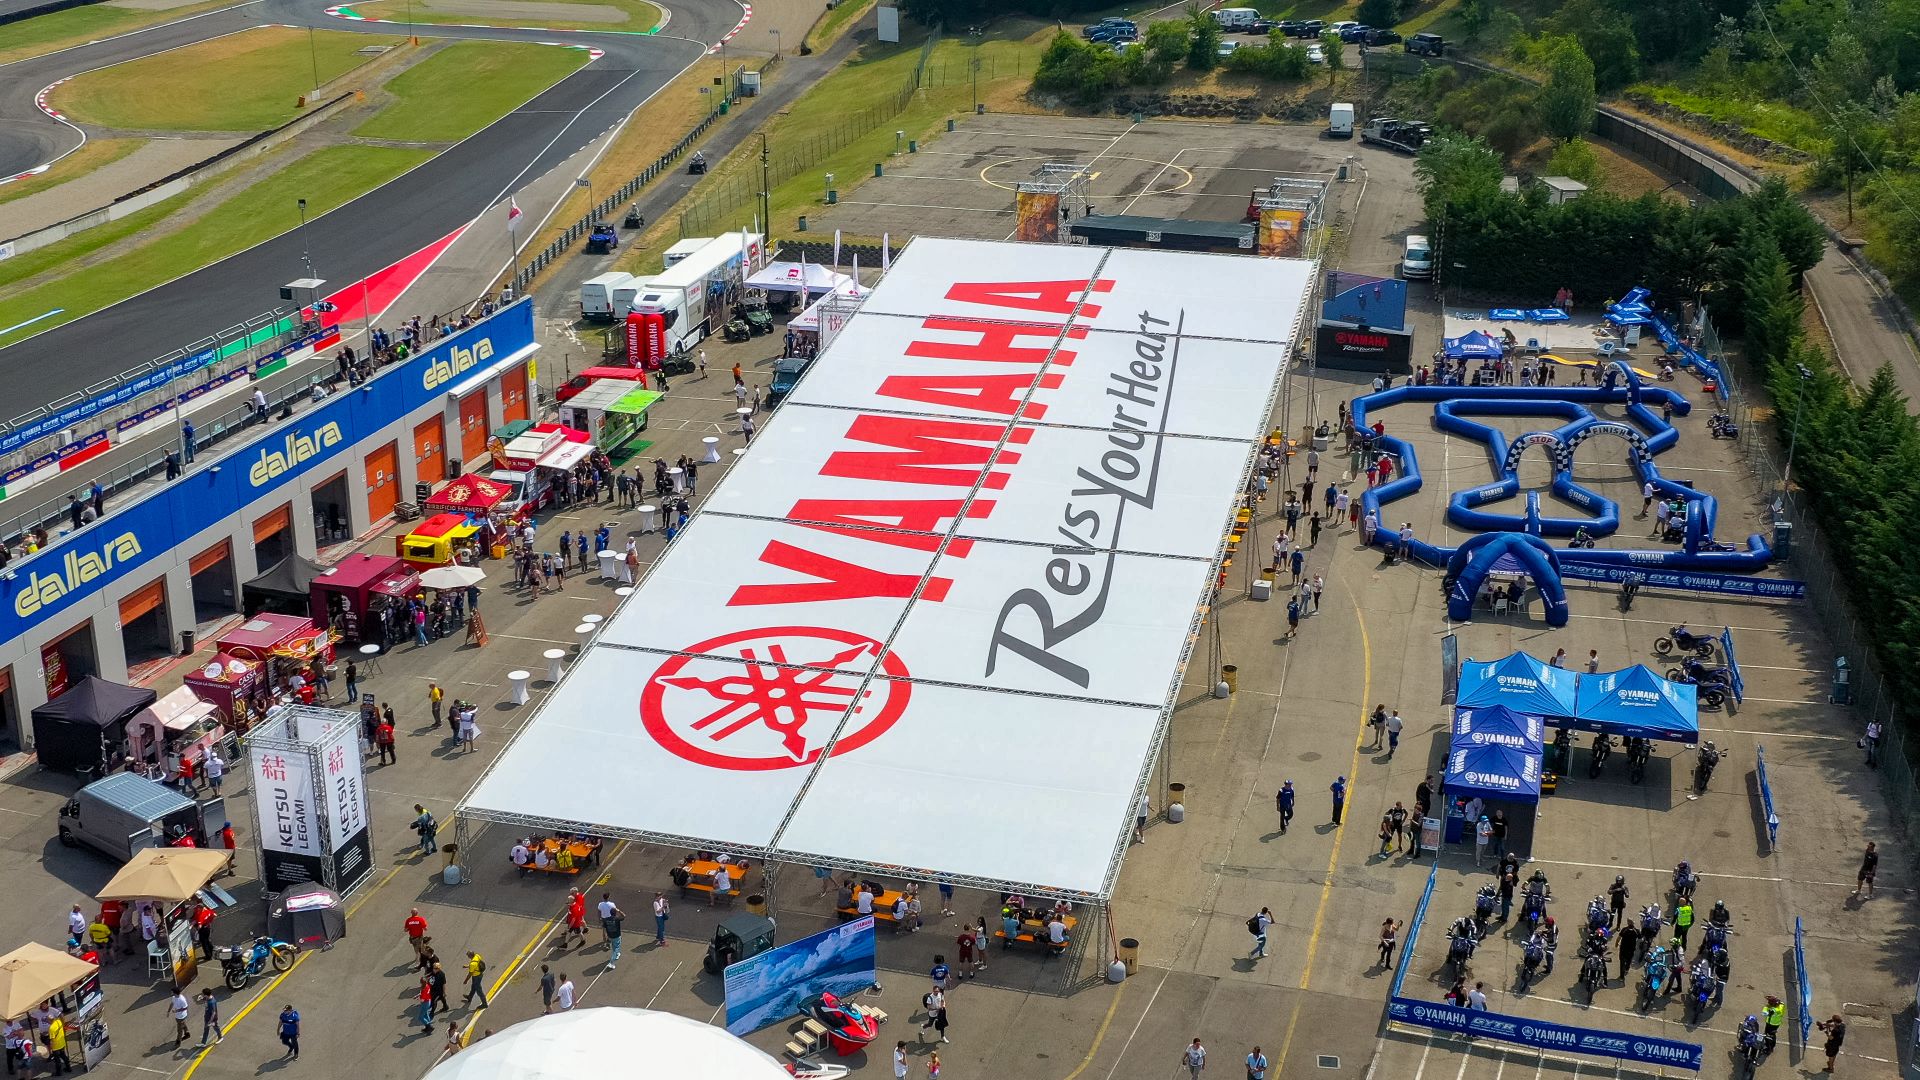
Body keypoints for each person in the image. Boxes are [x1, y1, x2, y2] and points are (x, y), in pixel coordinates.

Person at [598, 893, 625, 968]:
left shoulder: (606, 920)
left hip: (610, 934)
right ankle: (612, 962)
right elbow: (624, 916)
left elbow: (605, 928)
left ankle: (608, 945)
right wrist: (618, 910)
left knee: (613, 945)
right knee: (617, 947)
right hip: (616, 934)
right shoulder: (617, 919)